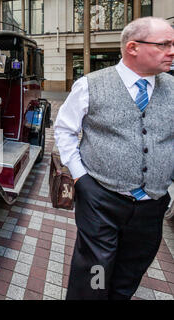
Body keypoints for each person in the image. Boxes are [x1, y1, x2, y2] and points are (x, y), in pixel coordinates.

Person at [54, 17, 174, 300]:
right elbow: (64, 130)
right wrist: (80, 177)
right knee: (96, 269)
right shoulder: (90, 85)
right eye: (164, 44)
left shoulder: (172, 87)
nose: (172, 51)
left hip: (152, 204)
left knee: (132, 267)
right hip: (101, 200)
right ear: (132, 47)